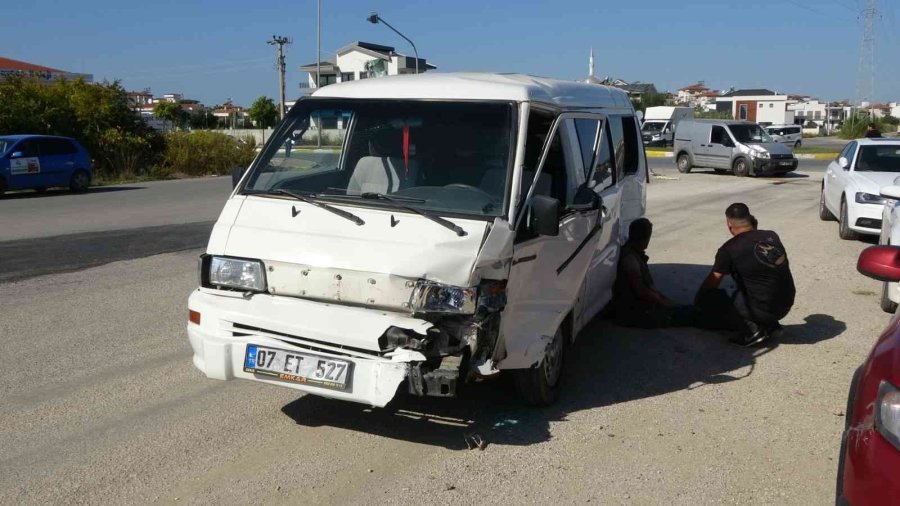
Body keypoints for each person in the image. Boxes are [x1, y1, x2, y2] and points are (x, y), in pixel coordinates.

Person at [695, 203, 795, 346]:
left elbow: (713, 281)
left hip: (763, 309)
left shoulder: (729, 249)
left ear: (729, 224)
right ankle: (770, 325)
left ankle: (752, 331)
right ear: (751, 219)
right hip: (786, 303)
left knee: (712, 296)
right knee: (760, 282)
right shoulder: (772, 235)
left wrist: (698, 300)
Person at [612, 218, 694, 328]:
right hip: (636, 312)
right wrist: (664, 304)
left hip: (640, 308)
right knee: (689, 316)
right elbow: (641, 291)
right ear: (645, 239)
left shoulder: (632, 252)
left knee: (687, 311)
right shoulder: (630, 259)